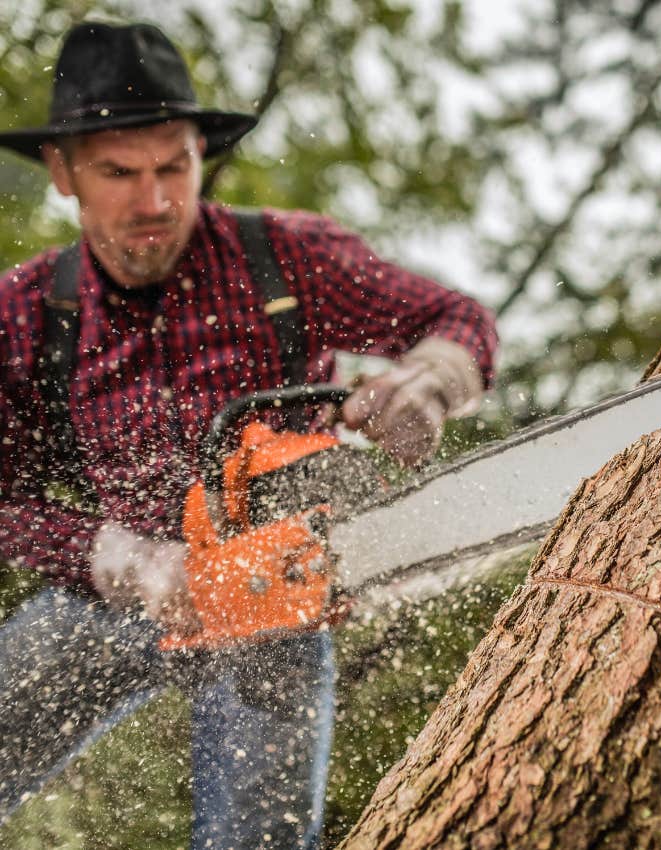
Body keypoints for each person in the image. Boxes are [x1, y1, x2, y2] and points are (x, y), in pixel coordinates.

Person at [0, 21, 497, 850]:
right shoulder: (22, 315)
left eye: (173, 167)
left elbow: (456, 317)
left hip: (276, 589)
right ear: (63, 173)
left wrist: (430, 381)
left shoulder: (285, 256)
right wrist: (113, 555)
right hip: (118, 588)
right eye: (119, 173)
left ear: (202, 153)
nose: (154, 201)